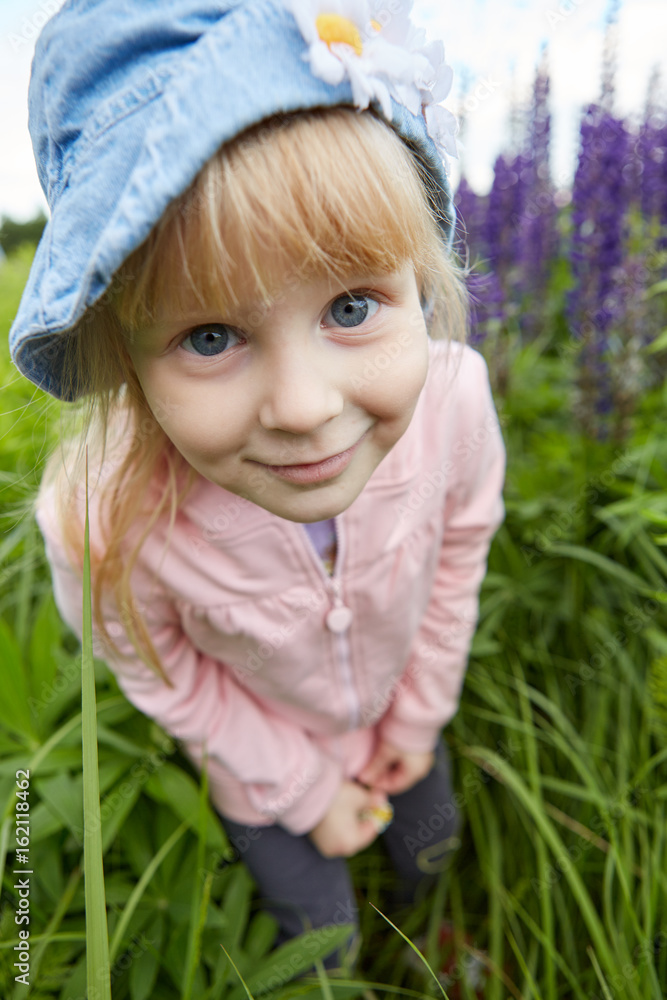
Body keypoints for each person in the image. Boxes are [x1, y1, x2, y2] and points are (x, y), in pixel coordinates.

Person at [10, 0, 506, 977]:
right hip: (260, 765)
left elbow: (459, 550)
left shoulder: (453, 404)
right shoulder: (108, 513)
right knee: (316, 928)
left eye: (352, 306)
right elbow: (163, 672)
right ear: (125, 351)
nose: (303, 406)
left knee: (431, 842)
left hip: (408, 704)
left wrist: (415, 717)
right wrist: (303, 783)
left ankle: (435, 940)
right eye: (209, 336)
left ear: (421, 280)